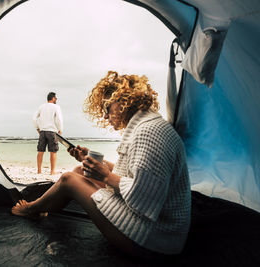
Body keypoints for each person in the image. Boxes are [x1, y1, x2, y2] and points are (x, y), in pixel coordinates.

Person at [15, 71, 191, 259]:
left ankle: (31, 209)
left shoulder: (148, 133)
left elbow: (146, 199)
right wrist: (88, 159)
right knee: (79, 171)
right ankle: (42, 209)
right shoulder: (149, 126)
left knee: (69, 180)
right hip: (162, 232)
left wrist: (105, 176)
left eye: (107, 108)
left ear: (123, 102)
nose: (106, 116)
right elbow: (137, 177)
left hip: (154, 240)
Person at [33, 92, 63, 175]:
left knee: (40, 151)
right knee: (53, 151)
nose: (56, 100)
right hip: (52, 131)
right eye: (56, 98)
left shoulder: (41, 107)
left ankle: (39, 170)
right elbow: (59, 119)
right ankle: (52, 171)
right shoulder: (56, 107)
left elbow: (34, 118)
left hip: (42, 131)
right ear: (53, 98)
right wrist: (60, 129)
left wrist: (37, 128)